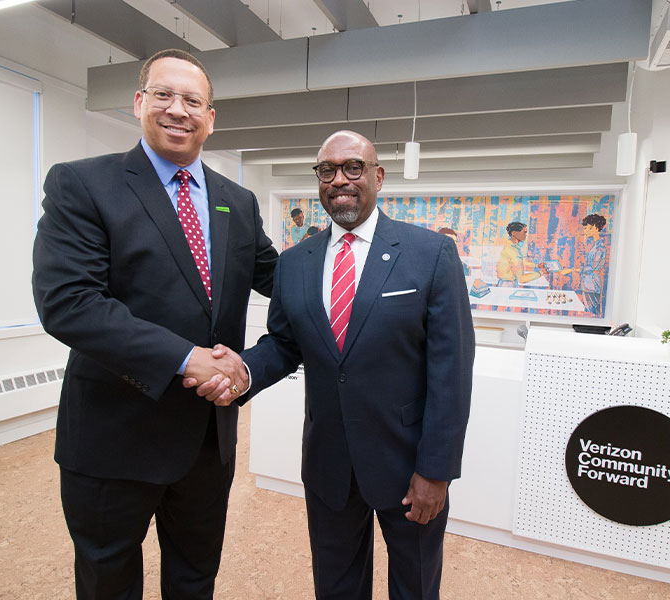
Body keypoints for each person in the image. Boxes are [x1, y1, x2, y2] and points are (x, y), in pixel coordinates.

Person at [32, 49, 278, 599]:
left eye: (193, 100)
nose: (178, 110)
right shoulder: (84, 184)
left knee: (195, 578)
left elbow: (281, 280)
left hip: (206, 441)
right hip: (113, 437)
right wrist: (185, 357)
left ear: (211, 118)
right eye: (164, 95)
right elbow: (68, 301)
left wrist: (360, 276)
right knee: (108, 582)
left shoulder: (236, 203)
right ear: (139, 102)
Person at [191, 130, 475, 599]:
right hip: (328, 465)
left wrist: (437, 471)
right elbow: (284, 344)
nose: (339, 179)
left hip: (409, 468)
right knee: (336, 586)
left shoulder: (430, 255)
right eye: (327, 170)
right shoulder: (295, 263)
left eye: (353, 167)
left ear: (378, 176)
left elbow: (452, 374)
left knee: (416, 587)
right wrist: (241, 370)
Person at [559, 213, 608, 316]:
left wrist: (572, 270)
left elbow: (592, 268)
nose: (585, 231)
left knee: (592, 312)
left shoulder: (600, 247)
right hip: (588, 284)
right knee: (589, 310)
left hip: (592, 285)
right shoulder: (595, 245)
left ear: (594, 227)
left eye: (587, 228)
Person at [495, 221, 542, 287]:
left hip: (509, 282)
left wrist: (537, 266)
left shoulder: (514, 247)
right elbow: (521, 279)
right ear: (514, 233)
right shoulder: (511, 250)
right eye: (524, 232)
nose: (526, 235)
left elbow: (521, 262)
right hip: (507, 285)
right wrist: (542, 273)